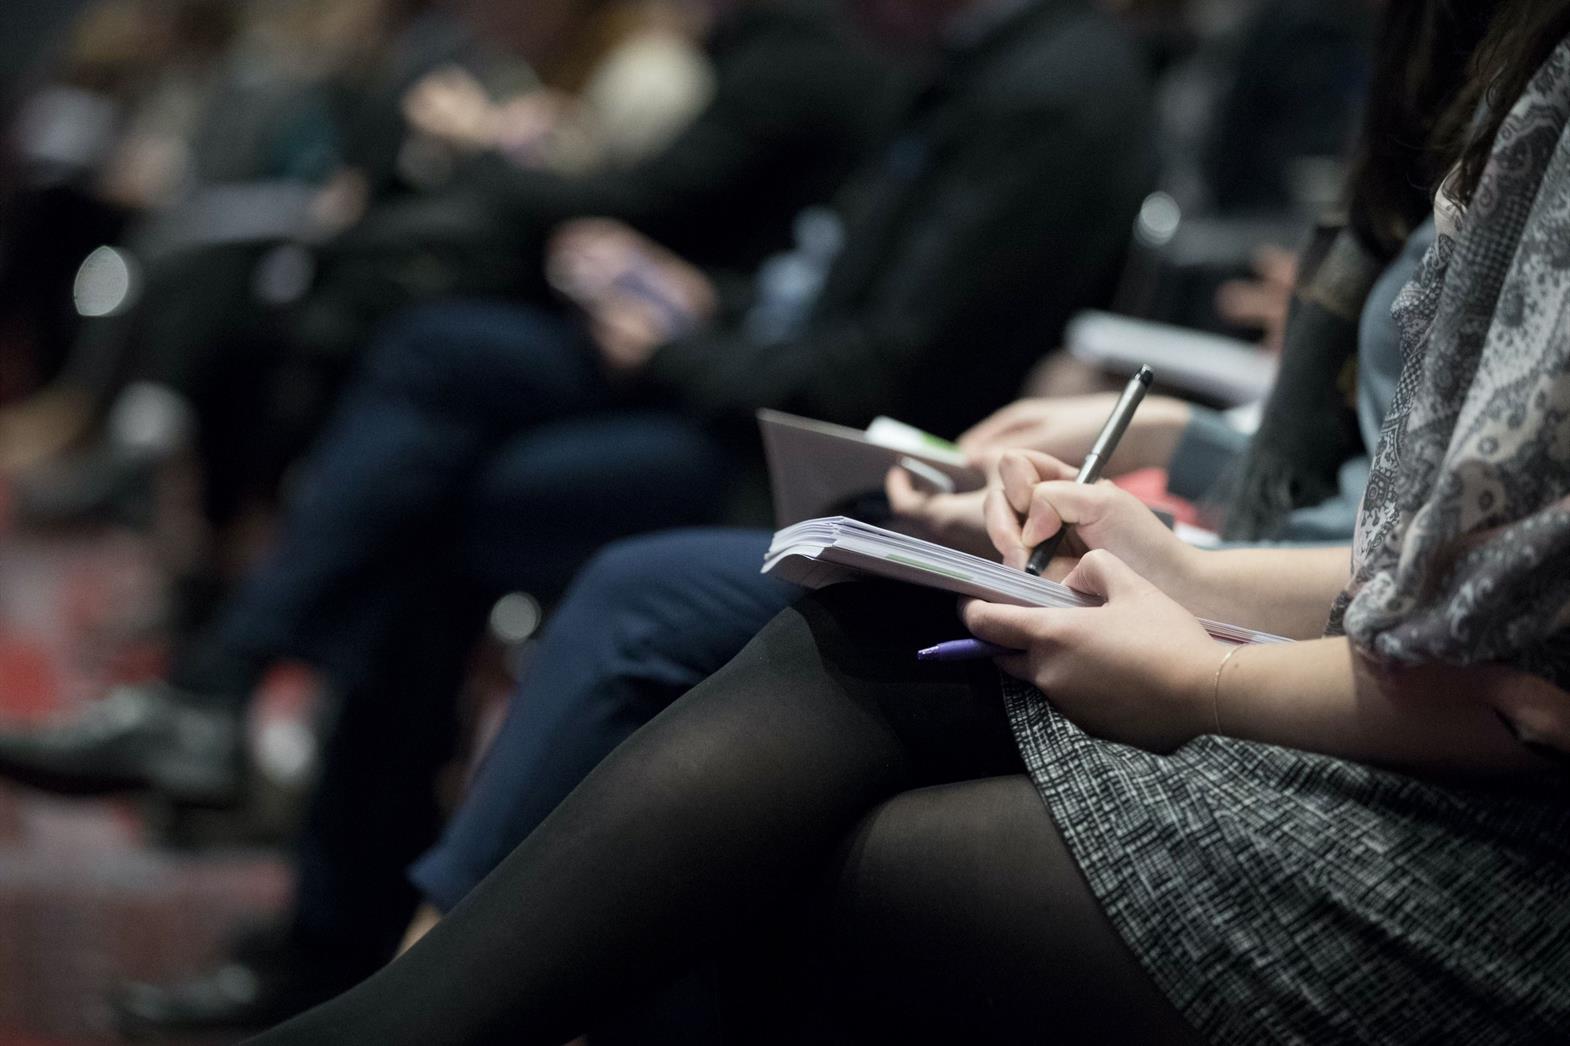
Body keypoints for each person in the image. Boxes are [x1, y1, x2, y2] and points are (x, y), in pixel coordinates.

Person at [247, 2, 1570, 1041]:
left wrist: (1208, 661)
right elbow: (1419, 561)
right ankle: (363, 966)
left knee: (744, 786)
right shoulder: (1479, 84)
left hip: (1490, 852)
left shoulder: (1047, 83)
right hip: (1339, 650)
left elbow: (1513, 681)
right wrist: (1172, 550)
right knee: (823, 605)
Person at [6, 0, 1157, 1033]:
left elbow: (880, 370)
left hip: (851, 467)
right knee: (433, 374)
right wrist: (705, 306)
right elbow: (820, 284)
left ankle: (368, 945)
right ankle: (336, 911)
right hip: (763, 396)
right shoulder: (958, 54)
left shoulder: (1034, 85)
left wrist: (682, 340)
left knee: (466, 504)